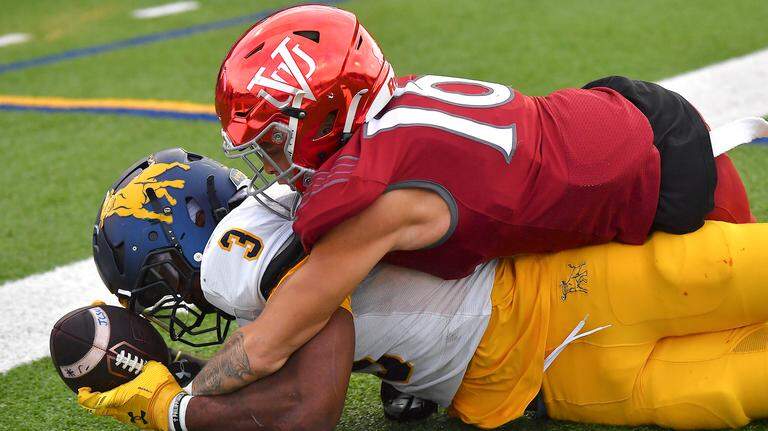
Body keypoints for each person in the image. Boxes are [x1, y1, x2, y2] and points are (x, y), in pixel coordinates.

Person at [210, 3, 758, 393]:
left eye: (274, 142)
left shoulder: (381, 198)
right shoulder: (391, 105)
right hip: (619, 119)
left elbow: (265, 348)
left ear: (331, 112)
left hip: (666, 178)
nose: (269, 164)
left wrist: (179, 395)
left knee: (739, 323)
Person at [81, 149, 768, 430]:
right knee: (733, 390)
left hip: (569, 292)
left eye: (157, 284)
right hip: (550, 376)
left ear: (182, 249)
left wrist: (176, 410)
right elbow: (293, 351)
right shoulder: (260, 258)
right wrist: (190, 377)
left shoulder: (243, 257)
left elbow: (308, 403)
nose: (168, 304)